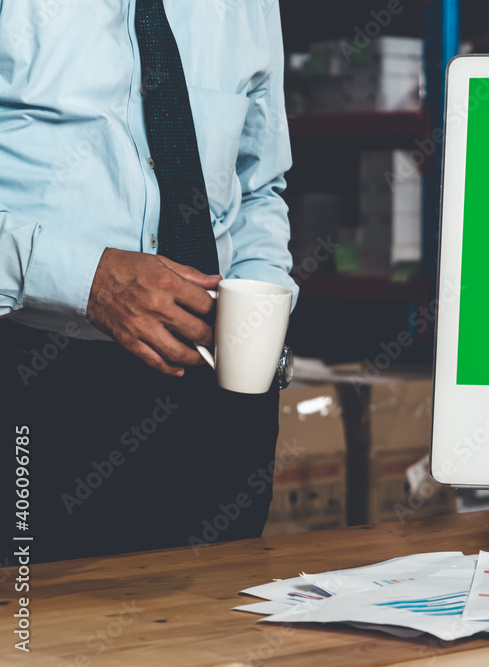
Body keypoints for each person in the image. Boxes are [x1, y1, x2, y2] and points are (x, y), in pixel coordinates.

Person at [0, 1, 297, 563]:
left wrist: (260, 313)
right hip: (32, 381)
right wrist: (88, 279)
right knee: (33, 637)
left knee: (207, 632)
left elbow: (259, 184)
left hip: (216, 393)